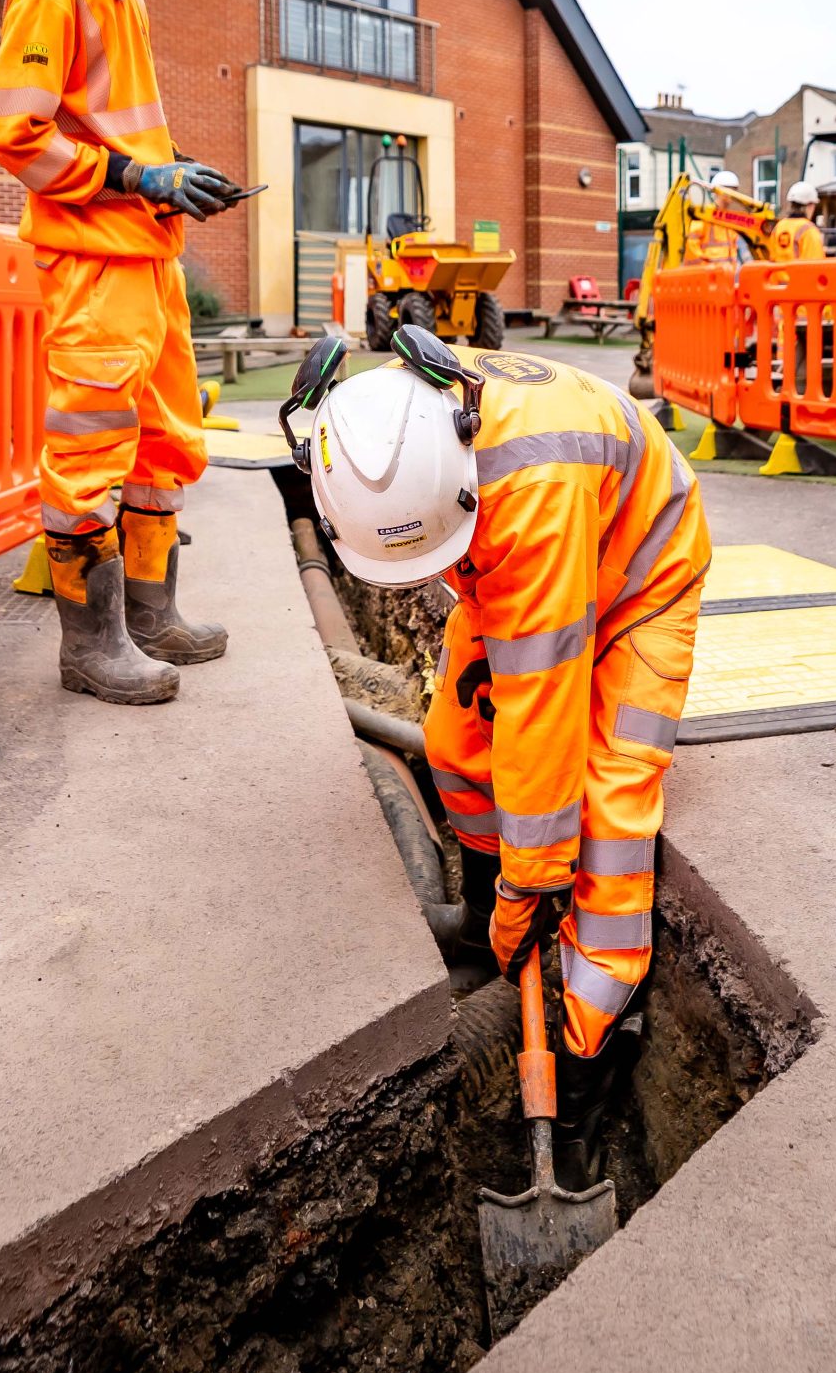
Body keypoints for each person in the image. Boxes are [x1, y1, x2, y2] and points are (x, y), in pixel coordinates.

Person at [293, 329, 712, 1191]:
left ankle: (589, 1053)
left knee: (609, 809)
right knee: (452, 738)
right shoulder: (395, 423)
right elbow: (515, 694)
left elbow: (546, 712)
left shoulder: (528, 489)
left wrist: (535, 876)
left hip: (640, 575)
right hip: (510, 559)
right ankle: (492, 927)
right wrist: (508, 891)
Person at [0, 0, 246, 706]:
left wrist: (177, 168)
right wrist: (140, 176)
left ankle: (148, 611)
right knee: (89, 449)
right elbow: (15, 136)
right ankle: (90, 646)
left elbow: (117, 125)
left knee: (165, 441)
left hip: (147, 253)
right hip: (95, 260)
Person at [686, 168, 749, 265]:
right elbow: (691, 247)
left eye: (735, 190)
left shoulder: (729, 220)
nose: (734, 194)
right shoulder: (704, 217)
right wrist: (706, 269)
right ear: (718, 191)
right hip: (709, 277)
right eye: (730, 189)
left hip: (727, 276)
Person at [765, 179, 827, 261]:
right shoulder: (808, 231)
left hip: (777, 274)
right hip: (798, 274)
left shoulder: (778, 227)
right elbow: (815, 266)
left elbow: (772, 258)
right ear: (810, 205)